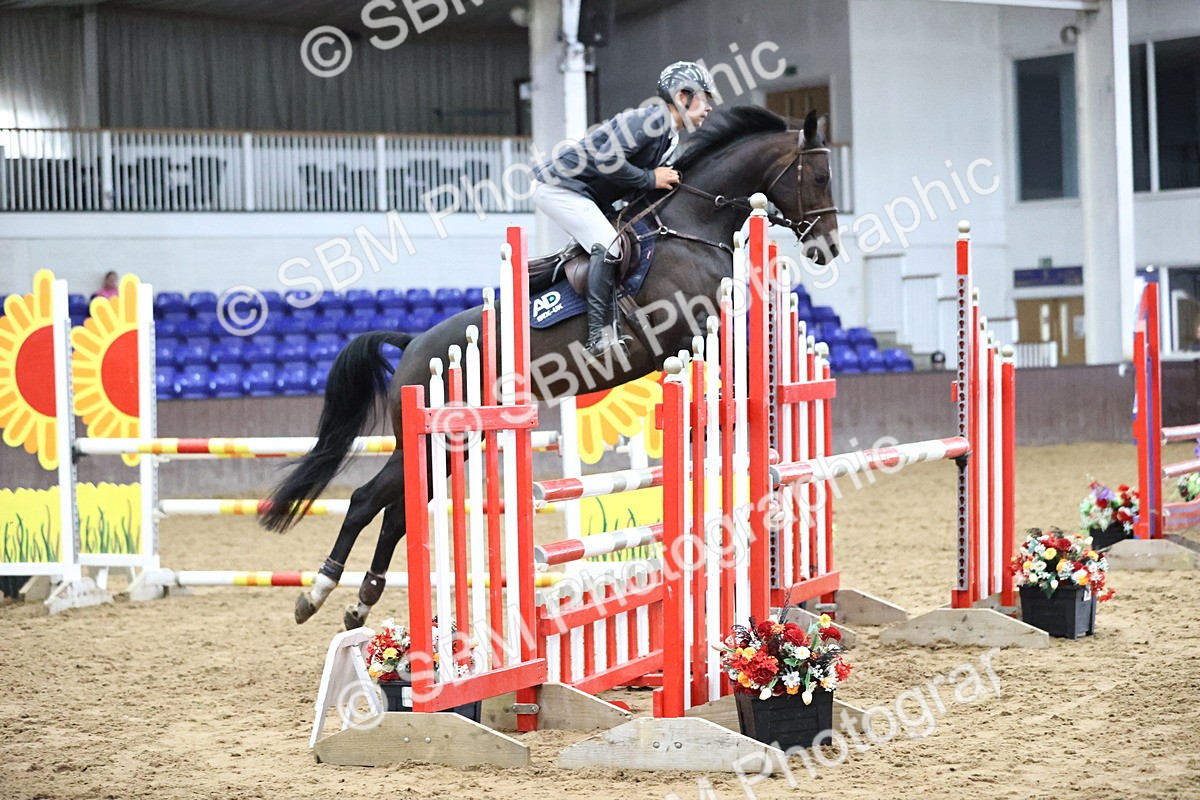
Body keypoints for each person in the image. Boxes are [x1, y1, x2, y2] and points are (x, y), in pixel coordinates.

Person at [531, 61, 715, 358]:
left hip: (587, 194)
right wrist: (650, 178)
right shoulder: (651, 119)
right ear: (682, 96)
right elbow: (608, 160)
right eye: (704, 98)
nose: (708, 108)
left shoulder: (670, 136)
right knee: (609, 245)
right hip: (559, 187)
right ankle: (598, 336)